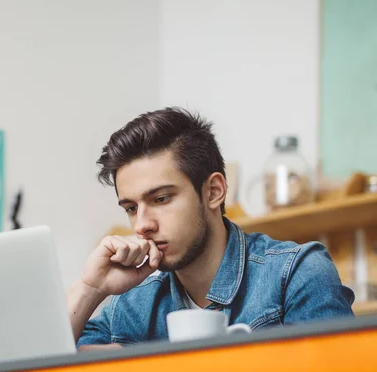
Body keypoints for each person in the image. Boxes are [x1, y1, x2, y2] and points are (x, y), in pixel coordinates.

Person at [67, 107, 354, 350]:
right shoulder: (132, 307)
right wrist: (90, 288)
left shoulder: (295, 275)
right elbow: (34, 366)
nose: (142, 225)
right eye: (131, 208)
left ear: (214, 192)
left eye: (161, 199)